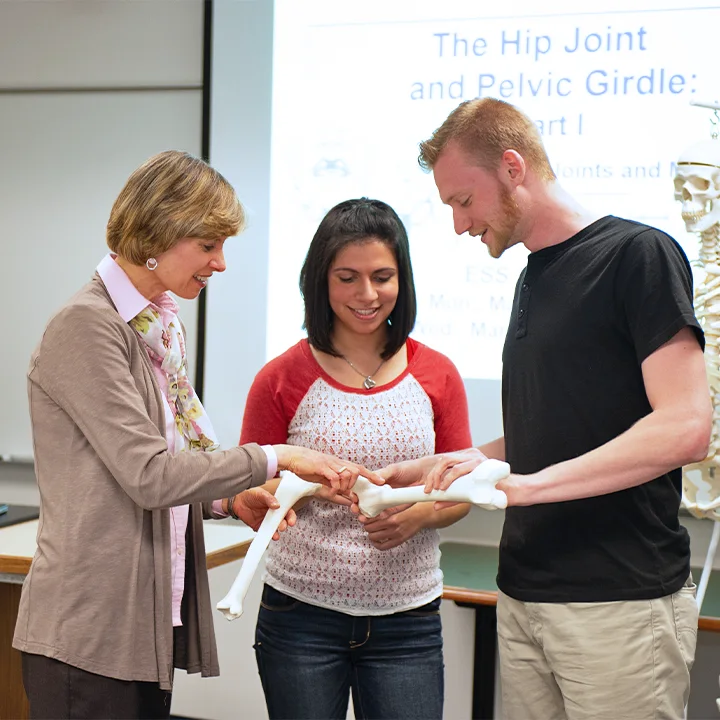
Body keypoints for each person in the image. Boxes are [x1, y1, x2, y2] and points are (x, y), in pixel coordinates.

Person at [13, 151, 380, 720]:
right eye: (210, 244)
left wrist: (230, 497)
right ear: (159, 233)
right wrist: (277, 457)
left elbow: (169, 460)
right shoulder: (87, 326)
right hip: (88, 632)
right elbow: (150, 475)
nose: (221, 263)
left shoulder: (154, 323)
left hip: (137, 626)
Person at [384, 98, 713, 720]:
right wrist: (453, 461)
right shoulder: (533, 275)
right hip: (523, 594)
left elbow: (686, 427)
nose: (458, 225)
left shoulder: (637, 256)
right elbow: (559, 429)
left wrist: (526, 488)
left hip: (616, 602)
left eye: (462, 201)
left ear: (513, 167)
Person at [239, 197, 473, 720]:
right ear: (320, 281)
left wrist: (421, 515)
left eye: (382, 276)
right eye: (347, 277)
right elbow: (248, 487)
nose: (367, 295)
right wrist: (302, 487)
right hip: (299, 615)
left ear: (402, 279)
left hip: (408, 618)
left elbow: (459, 491)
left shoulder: (438, 374)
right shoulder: (279, 378)